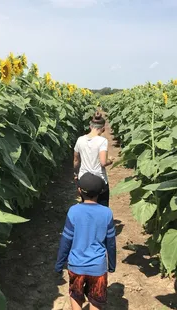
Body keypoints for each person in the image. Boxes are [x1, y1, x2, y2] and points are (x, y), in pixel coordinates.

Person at [55, 172, 117, 310]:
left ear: (79, 191)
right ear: (100, 193)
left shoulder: (73, 211)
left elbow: (66, 241)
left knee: (76, 295)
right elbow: (111, 243)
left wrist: (59, 264)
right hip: (97, 267)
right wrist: (112, 264)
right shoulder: (107, 213)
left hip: (76, 265)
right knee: (96, 300)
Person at [73, 111, 113, 207]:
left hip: (84, 179)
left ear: (90, 126)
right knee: (102, 207)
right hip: (99, 180)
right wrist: (110, 161)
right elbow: (103, 162)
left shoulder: (80, 140)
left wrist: (76, 174)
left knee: (86, 207)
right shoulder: (102, 141)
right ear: (103, 128)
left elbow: (76, 160)